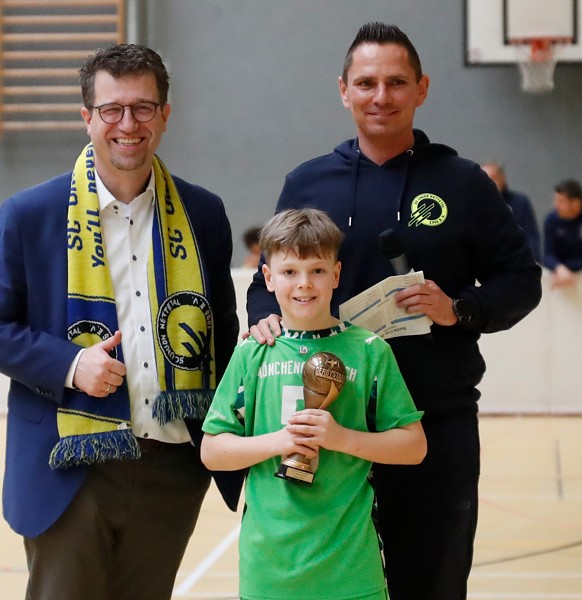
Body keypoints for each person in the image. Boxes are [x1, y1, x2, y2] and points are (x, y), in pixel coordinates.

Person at [245, 22, 542, 600]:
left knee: (431, 584)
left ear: (422, 89)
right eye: (366, 83)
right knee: (327, 587)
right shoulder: (308, 182)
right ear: (344, 91)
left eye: (396, 82)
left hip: (433, 421)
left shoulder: (463, 182)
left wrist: (459, 308)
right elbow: (265, 283)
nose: (381, 96)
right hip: (326, 424)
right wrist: (265, 317)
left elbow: (521, 280)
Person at [0, 44, 242, 600]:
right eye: (112, 109)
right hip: (71, 466)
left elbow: (224, 334)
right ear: (87, 116)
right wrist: (70, 364)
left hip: (171, 468)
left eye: (143, 108)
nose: (128, 124)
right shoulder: (31, 214)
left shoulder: (204, 213)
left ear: (165, 114)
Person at [202, 208, 426, 600]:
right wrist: (280, 441)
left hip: (351, 571)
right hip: (269, 573)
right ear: (268, 277)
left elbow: (414, 446)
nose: (304, 283)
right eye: (289, 271)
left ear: (336, 274)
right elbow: (212, 451)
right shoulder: (252, 354)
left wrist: (341, 438)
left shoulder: (369, 351)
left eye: (317, 270)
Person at [542, 178, 582, 288]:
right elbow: (547, 255)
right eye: (556, 200)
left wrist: (566, 269)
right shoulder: (551, 220)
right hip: (558, 277)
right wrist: (558, 268)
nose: (556, 206)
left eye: (561, 201)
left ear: (576, 203)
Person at [481, 161, 541, 261]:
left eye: (494, 177)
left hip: (516, 259)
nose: (490, 182)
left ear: (503, 178)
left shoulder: (520, 202)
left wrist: (530, 258)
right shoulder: (472, 204)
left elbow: (531, 236)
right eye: (485, 178)